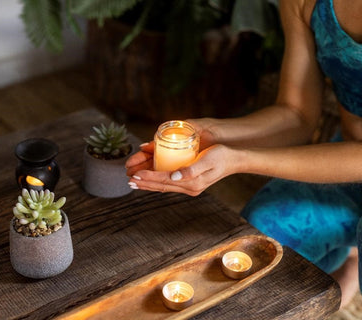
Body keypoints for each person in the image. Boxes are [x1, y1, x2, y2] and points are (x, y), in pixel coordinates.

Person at [125, 0, 362, 309]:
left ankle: (354, 262)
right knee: (258, 245)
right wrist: (211, 134)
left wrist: (240, 160)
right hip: (340, 165)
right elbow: (296, 114)